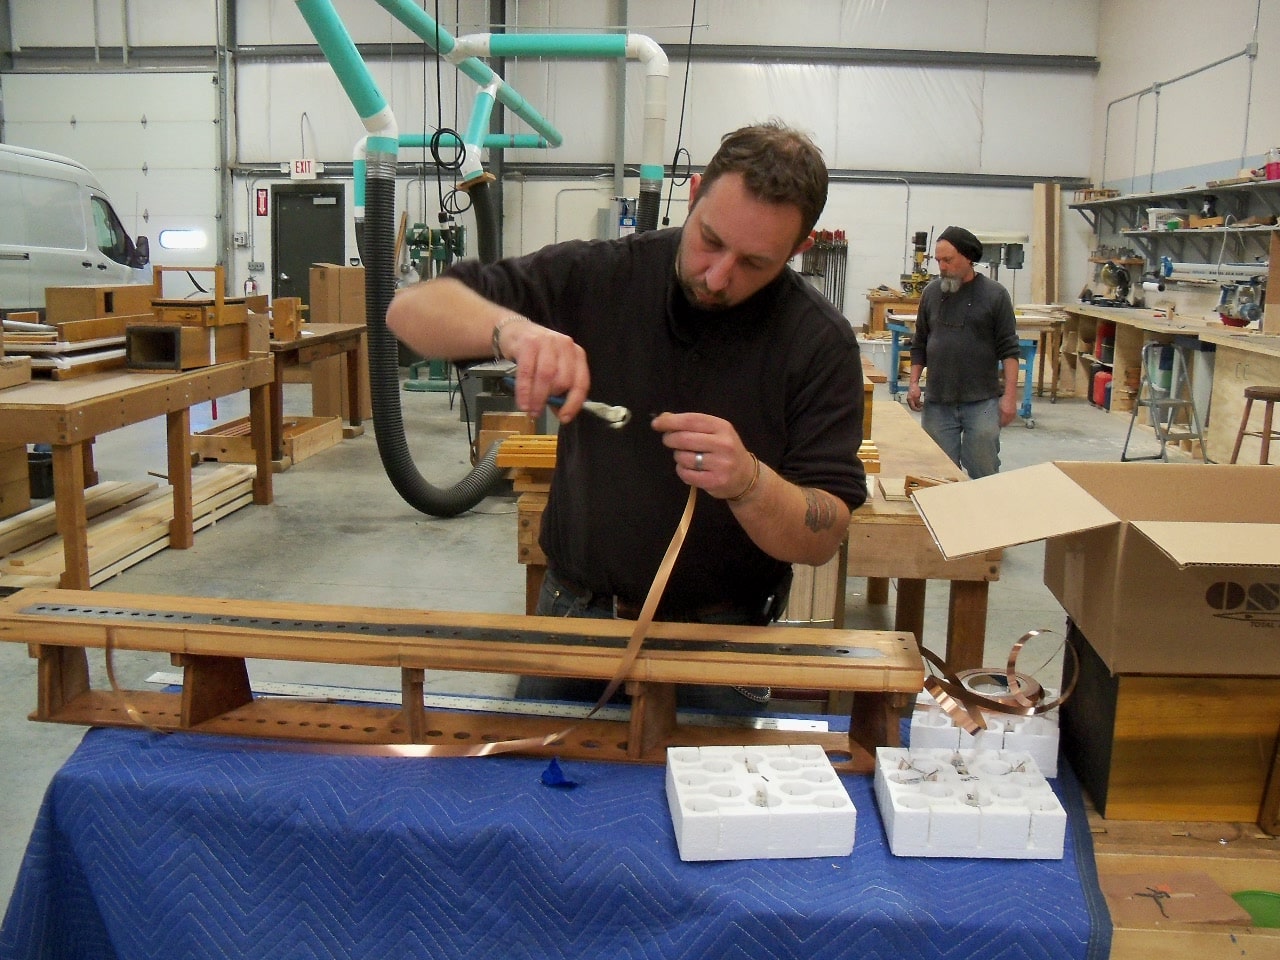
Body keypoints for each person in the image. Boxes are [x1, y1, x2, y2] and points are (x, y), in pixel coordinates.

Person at [386, 121, 867, 710]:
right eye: (710, 241)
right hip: (574, 619)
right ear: (692, 196)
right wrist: (512, 330)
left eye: (753, 263)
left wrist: (749, 483)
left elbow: (824, 536)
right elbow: (409, 313)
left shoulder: (819, 346)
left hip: (722, 644)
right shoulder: (602, 276)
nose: (718, 278)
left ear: (798, 250)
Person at [905, 225, 1020, 478]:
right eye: (938, 261)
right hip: (937, 401)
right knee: (938, 474)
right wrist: (913, 383)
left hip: (981, 401)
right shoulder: (931, 293)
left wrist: (1010, 397)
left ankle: (982, 516)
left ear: (968, 258)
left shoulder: (995, 295)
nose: (942, 267)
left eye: (948, 260)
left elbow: (1010, 350)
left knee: (983, 470)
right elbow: (920, 342)